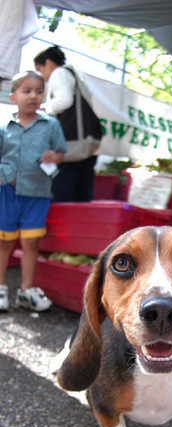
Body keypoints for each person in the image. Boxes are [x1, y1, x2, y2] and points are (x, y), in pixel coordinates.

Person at [0, 71, 67, 312]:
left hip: (37, 195)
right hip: (6, 193)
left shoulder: (51, 125)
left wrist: (55, 156)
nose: (33, 96)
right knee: (3, 243)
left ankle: (26, 290)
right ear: (13, 96)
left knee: (30, 243)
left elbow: (61, 152)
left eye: (39, 91)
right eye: (26, 91)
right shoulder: (4, 128)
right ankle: (1, 289)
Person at [34, 45, 96, 202]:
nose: (41, 75)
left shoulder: (59, 73)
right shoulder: (75, 75)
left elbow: (64, 100)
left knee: (63, 194)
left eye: (39, 69)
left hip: (71, 144)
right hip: (87, 143)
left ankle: (66, 227)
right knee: (82, 195)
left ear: (48, 62)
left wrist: (43, 107)